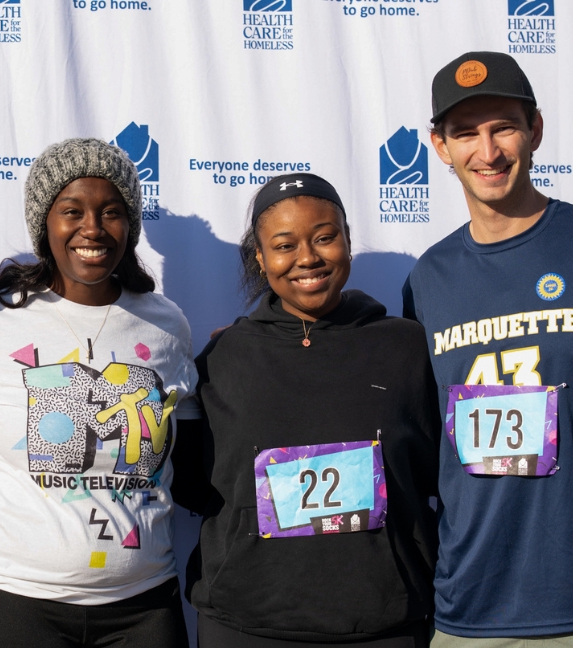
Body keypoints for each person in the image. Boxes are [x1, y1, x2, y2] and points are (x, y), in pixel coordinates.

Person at [401, 52, 573, 644]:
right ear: (439, 146)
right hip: (471, 608)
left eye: (503, 126)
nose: (489, 150)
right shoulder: (428, 279)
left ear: (536, 130)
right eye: (465, 133)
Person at [0, 138, 196, 647]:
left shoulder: (167, 325)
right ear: (44, 224)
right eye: (71, 210)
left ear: (132, 225)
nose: (93, 228)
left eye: (112, 212)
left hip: (144, 605)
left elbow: (190, 466)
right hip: (9, 601)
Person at [172, 173, 440, 646]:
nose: (308, 258)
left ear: (347, 242)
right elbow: (192, 487)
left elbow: (439, 475)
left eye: (324, 237)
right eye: (284, 244)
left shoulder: (408, 347)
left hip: (386, 623)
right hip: (246, 625)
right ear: (260, 257)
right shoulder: (222, 360)